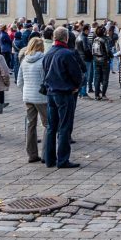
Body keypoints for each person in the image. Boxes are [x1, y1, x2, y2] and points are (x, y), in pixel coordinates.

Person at [42, 27, 84, 168]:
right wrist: (77, 86)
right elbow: (76, 73)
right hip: (64, 93)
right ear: (66, 38)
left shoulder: (48, 53)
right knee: (64, 127)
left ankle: (49, 159)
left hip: (51, 93)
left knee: (51, 127)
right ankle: (62, 159)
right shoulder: (66, 53)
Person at [18, 37, 48, 163]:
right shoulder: (43, 60)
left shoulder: (24, 60)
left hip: (27, 96)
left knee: (31, 125)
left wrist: (25, 91)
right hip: (41, 97)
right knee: (48, 124)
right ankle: (46, 154)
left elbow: (20, 81)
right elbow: (45, 79)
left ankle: (32, 154)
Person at [90, 27, 112, 100]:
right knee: (105, 78)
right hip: (104, 60)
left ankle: (96, 95)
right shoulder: (105, 39)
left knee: (97, 78)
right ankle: (103, 95)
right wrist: (111, 56)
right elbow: (108, 50)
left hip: (96, 60)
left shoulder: (95, 39)